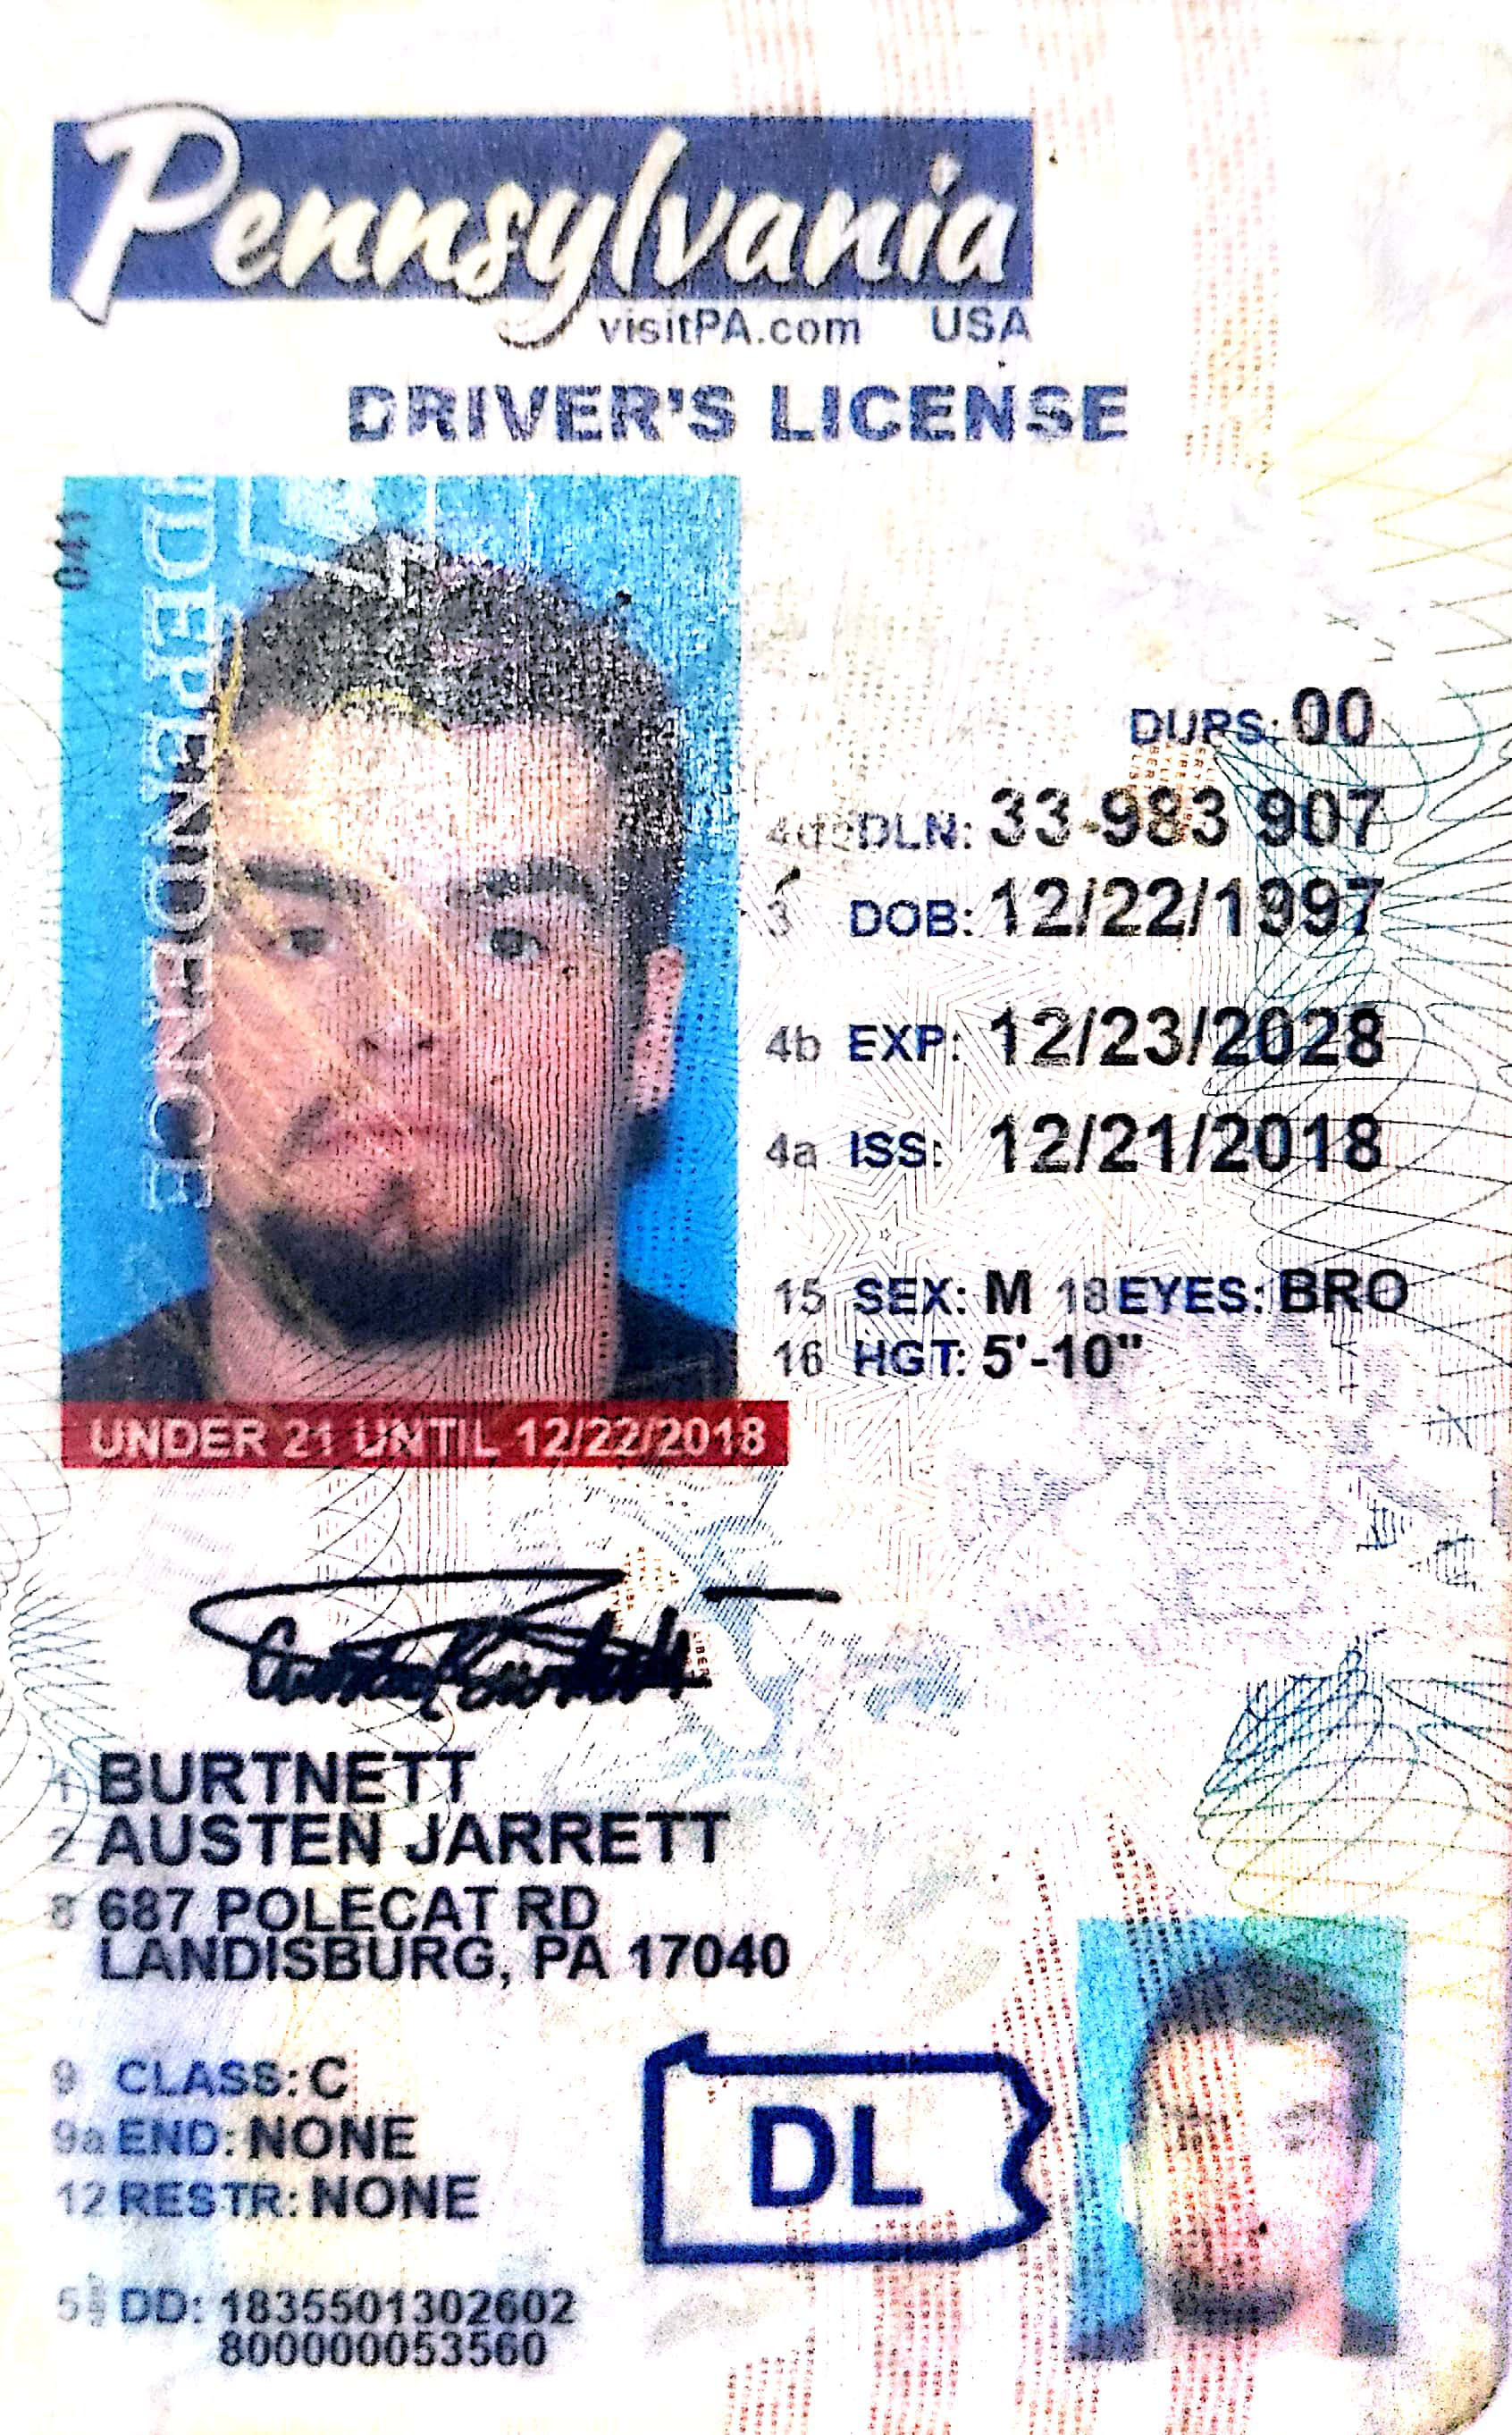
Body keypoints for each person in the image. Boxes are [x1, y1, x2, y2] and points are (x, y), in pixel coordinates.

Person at [63, 530, 735, 1403]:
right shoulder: (29, 1445)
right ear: (180, 1022)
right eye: (304, 939)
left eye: (510, 942)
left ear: (649, 1034)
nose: (398, 1017)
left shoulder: (835, 1447)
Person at [1072, 1950, 1395, 2360]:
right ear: (1130, 2179)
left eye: (1294, 2142)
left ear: (1361, 2182)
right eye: (1193, 2140)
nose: (1238, 2186)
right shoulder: (1035, 2383)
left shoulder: (1437, 2377)